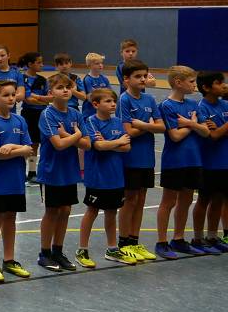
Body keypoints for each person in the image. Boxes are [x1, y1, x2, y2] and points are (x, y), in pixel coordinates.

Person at [154, 65, 210, 258]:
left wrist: (190, 123)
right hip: (175, 161)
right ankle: (161, 242)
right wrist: (194, 125)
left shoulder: (194, 104)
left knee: (186, 200)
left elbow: (206, 131)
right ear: (178, 83)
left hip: (194, 160)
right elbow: (175, 136)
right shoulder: (166, 106)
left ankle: (178, 239)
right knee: (168, 202)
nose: (195, 85)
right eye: (191, 81)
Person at [75, 88, 135, 267]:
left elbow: (127, 147)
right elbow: (99, 146)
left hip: (115, 176)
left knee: (111, 212)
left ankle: (112, 249)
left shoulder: (117, 122)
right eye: (108, 101)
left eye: (114, 101)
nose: (113, 104)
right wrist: (116, 142)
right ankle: (82, 250)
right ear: (95, 104)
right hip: (97, 177)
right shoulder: (90, 122)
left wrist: (108, 143)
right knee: (92, 211)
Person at [0, 81, 34, 283]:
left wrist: (11, 146)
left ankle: (9, 260)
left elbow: (29, 149)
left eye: (13, 94)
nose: (11, 98)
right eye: (6, 95)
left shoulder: (20, 121)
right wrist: (19, 150)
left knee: (11, 218)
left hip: (16, 180)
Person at [37, 73, 87, 272]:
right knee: (52, 211)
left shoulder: (75, 114)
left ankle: (58, 251)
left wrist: (68, 135)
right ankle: (45, 253)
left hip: (69, 169)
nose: (65, 90)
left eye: (68, 87)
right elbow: (58, 145)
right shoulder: (47, 115)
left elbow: (87, 144)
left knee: (66, 210)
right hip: (52, 170)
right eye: (60, 87)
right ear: (51, 92)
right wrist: (76, 135)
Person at [115, 60, 162, 262]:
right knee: (130, 200)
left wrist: (142, 125)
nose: (143, 79)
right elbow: (128, 131)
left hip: (147, 159)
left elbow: (162, 127)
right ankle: (124, 243)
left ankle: (134, 241)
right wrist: (149, 126)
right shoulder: (124, 100)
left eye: (145, 75)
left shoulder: (150, 99)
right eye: (138, 76)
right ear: (126, 79)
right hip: (131, 159)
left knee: (141, 200)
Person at [192, 71, 228, 251]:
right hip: (209, 162)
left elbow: (218, 132)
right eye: (219, 83)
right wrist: (222, 129)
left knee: (218, 199)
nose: (224, 85)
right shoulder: (201, 108)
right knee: (203, 200)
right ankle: (198, 238)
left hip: (225, 162)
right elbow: (212, 136)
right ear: (206, 88)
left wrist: (220, 129)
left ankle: (212, 236)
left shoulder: (225, 104)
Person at [18, 51, 49, 184]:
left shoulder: (43, 80)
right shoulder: (22, 79)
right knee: (27, 144)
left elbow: (49, 98)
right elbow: (28, 99)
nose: (42, 65)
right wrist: (42, 99)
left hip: (41, 115)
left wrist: (37, 97)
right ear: (30, 64)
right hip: (28, 114)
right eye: (39, 62)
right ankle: (20, 172)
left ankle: (32, 172)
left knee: (36, 145)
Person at [80, 53, 111, 118]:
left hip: (103, 110)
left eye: (101, 63)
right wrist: (102, 93)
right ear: (89, 66)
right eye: (97, 63)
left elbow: (110, 94)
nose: (100, 65)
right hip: (90, 111)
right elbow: (90, 98)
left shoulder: (105, 79)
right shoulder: (87, 79)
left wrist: (97, 92)